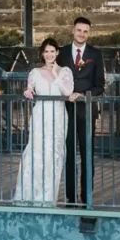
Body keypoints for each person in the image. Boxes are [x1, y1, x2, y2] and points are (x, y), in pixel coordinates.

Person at [13, 38, 73, 206]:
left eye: (52, 51)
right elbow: (30, 88)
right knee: (35, 152)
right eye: (46, 52)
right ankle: (27, 194)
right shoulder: (35, 72)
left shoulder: (65, 71)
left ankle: (46, 197)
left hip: (58, 115)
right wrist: (27, 91)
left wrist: (55, 74)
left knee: (53, 154)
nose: (49, 55)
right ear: (42, 53)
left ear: (57, 53)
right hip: (40, 114)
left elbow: (68, 92)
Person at [59, 16, 104, 206]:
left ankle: (87, 196)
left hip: (86, 111)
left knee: (87, 154)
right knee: (68, 154)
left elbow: (100, 85)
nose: (82, 34)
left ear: (89, 33)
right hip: (65, 111)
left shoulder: (95, 53)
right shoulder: (61, 53)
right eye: (79, 30)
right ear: (73, 30)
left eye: (86, 31)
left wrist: (83, 95)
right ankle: (70, 197)